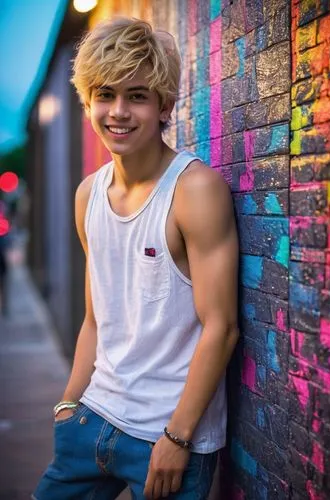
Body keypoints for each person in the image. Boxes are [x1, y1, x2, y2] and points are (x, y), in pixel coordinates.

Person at [33, 17, 239, 500]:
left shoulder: (194, 191)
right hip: (91, 420)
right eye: (105, 94)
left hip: (167, 438)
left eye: (138, 96)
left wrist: (177, 438)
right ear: (87, 102)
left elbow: (221, 327)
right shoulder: (88, 195)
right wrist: (68, 406)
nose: (118, 112)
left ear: (165, 105)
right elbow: (94, 319)